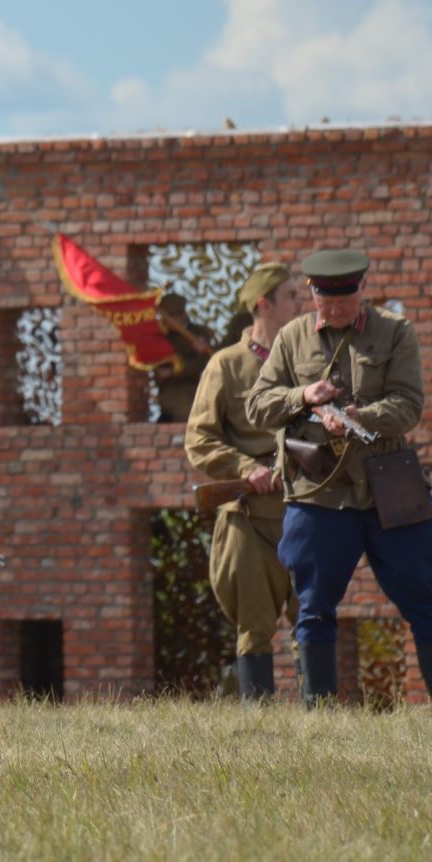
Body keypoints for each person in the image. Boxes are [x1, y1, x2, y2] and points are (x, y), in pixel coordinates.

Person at [246, 249, 432, 713]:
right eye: (328, 303)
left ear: (361, 291)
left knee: (424, 600)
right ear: (314, 296)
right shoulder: (291, 337)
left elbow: (409, 405)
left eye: (346, 302)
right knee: (315, 607)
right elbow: (258, 405)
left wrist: (360, 416)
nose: (338, 312)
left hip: (389, 486)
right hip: (320, 491)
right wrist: (304, 396)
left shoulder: (395, 332)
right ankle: (319, 713)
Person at [184, 262, 304, 700]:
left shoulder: (310, 359)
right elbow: (199, 440)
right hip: (249, 517)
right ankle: (260, 725)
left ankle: (321, 719)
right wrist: (244, 469)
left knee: (311, 617)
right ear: (263, 304)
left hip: (305, 508)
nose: (301, 303)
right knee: (254, 627)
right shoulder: (226, 365)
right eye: (291, 295)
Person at [152, 293, 214, 423]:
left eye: (172, 315)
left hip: (201, 386)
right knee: (189, 414)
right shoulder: (160, 338)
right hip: (173, 390)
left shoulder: (199, 333)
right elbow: (162, 370)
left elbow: (207, 362)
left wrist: (201, 352)